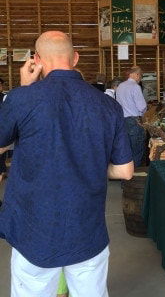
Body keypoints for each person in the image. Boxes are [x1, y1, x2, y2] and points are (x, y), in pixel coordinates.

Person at [0, 30, 134, 297]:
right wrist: (91, 164)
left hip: (34, 230)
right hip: (87, 229)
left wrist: (25, 87)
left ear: (36, 60)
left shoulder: (20, 98)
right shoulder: (108, 105)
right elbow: (125, 171)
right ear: (75, 58)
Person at [116, 66, 147, 167]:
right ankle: (134, 176)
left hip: (122, 121)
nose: (140, 79)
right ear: (136, 74)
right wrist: (143, 113)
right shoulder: (135, 87)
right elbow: (142, 106)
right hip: (134, 121)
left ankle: (126, 176)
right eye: (140, 76)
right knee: (137, 150)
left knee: (126, 149)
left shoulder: (120, 86)